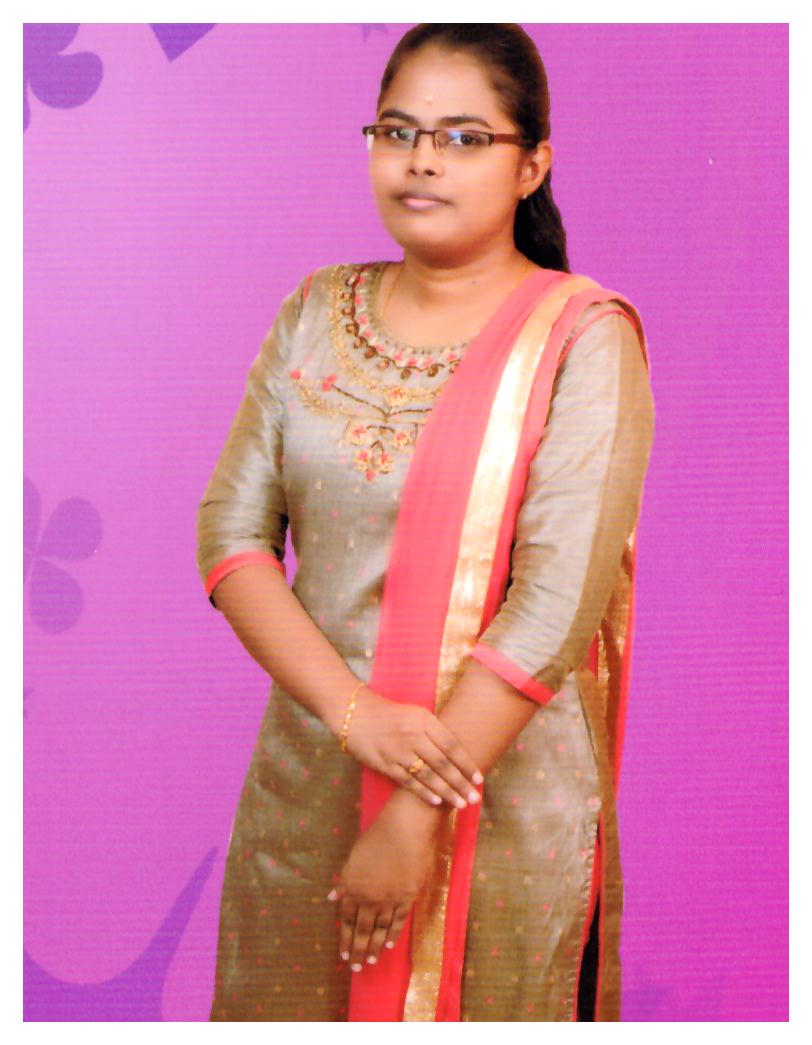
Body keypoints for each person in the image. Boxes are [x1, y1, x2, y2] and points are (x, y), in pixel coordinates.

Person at [196, 23, 655, 1023]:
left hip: (500, 809)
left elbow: (556, 601)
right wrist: (356, 717)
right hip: (310, 786)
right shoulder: (313, 310)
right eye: (397, 131)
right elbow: (231, 538)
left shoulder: (582, 339)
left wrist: (411, 814)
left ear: (531, 165)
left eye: (462, 138)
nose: (420, 160)